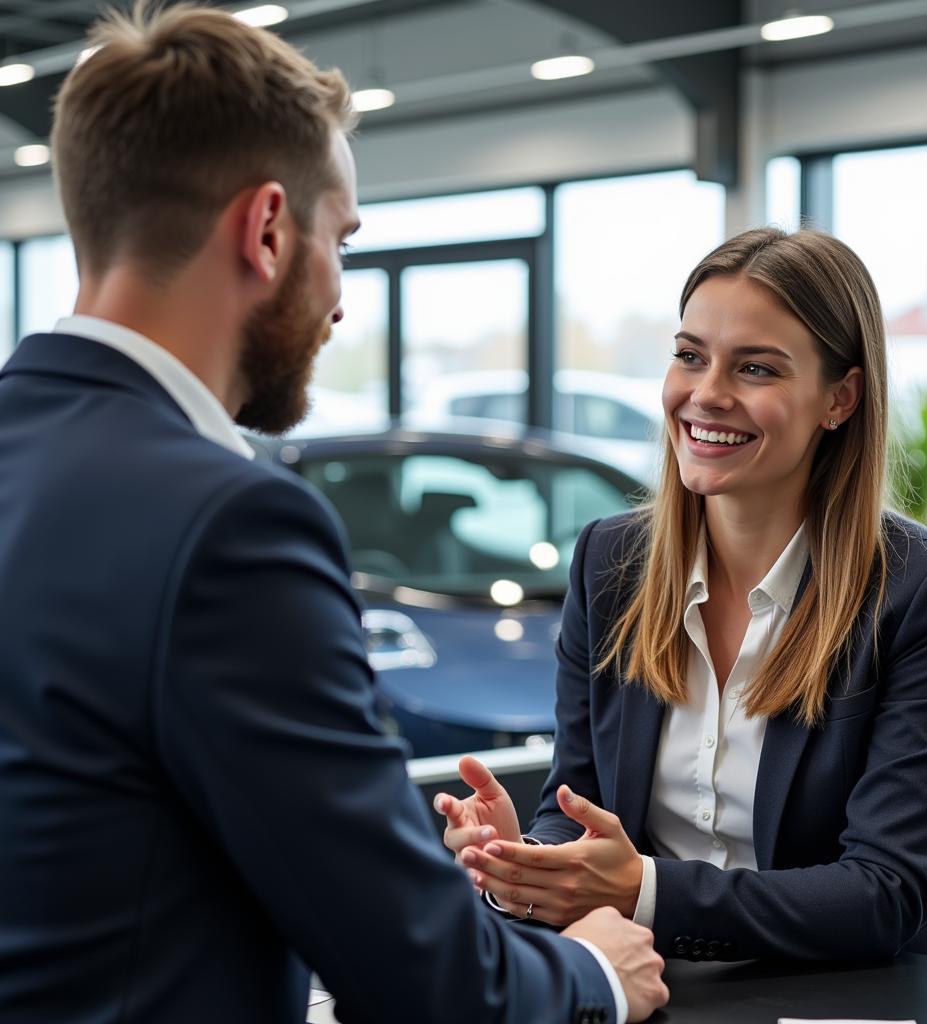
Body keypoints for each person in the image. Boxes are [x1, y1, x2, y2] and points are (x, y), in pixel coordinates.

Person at [0, 4, 669, 1023]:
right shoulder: (229, 524)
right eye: (342, 240)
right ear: (267, 229)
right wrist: (594, 975)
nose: (342, 297)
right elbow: (416, 972)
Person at [437, 226, 927, 963]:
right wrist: (523, 863)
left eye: (756, 368)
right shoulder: (611, 562)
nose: (707, 394)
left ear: (841, 398)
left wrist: (643, 890)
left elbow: (885, 890)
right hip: (657, 979)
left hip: (864, 992)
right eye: (690, 356)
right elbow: (577, 811)